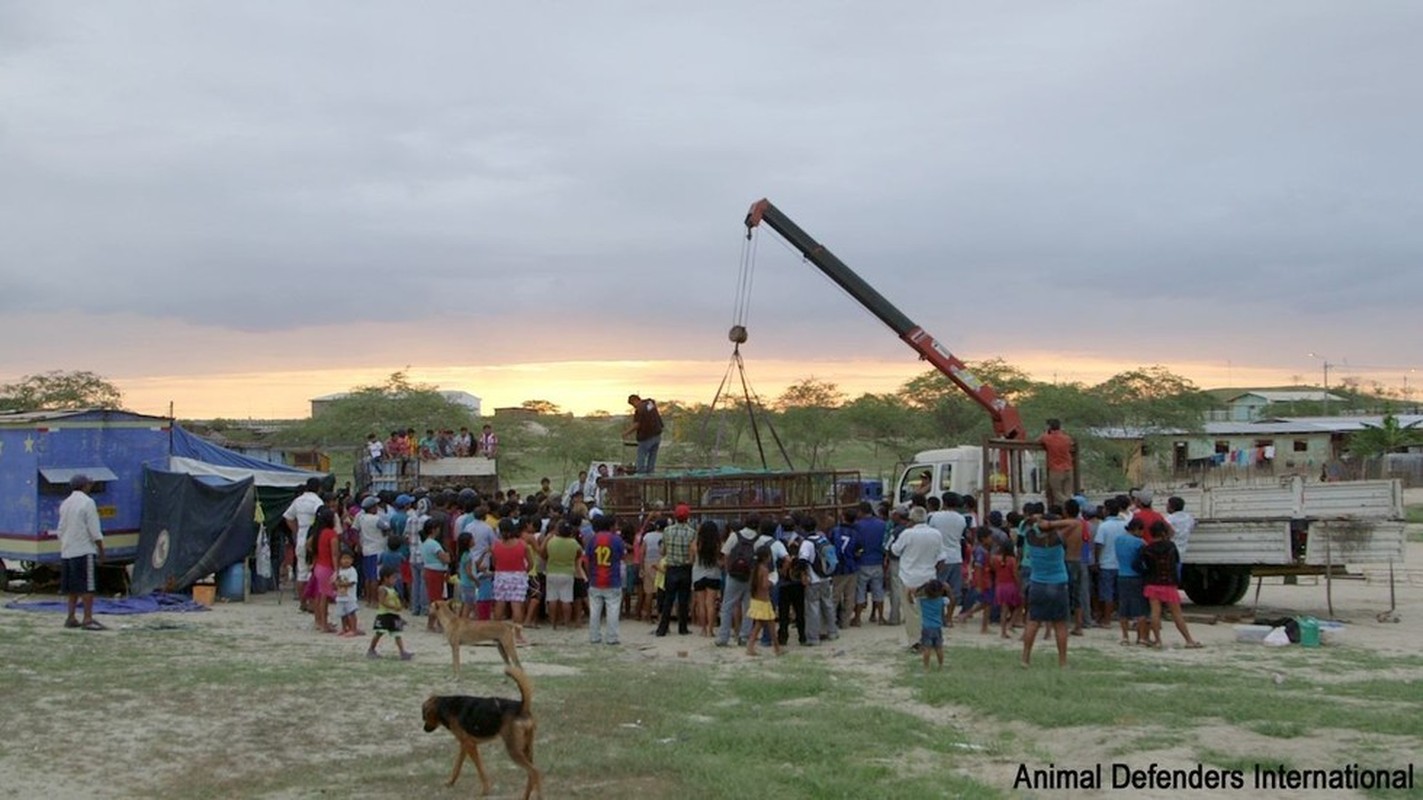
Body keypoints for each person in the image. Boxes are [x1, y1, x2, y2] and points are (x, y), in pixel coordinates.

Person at [1022, 514, 1078, 668]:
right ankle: (1062, 661)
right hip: (1058, 582)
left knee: (1033, 621)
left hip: (1037, 582)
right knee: (1060, 624)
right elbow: (1074, 523)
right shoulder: (1056, 539)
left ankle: (1025, 658)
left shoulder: (1031, 537)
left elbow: (1025, 524)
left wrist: (1039, 522)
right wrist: (1052, 523)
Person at [1140, 520, 1203, 649]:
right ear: (1164, 532)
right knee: (1177, 614)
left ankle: (1157, 640)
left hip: (1152, 583)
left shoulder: (1147, 548)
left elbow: (1143, 565)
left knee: (1155, 613)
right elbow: (1176, 563)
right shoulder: (1171, 546)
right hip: (1168, 583)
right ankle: (1189, 640)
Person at [57, 474, 106, 631]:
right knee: (87, 587)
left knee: (72, 587)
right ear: (85, 486)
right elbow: (94, 530)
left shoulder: (65, 503)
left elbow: (60, 529)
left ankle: (71, 617)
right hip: (84, 550)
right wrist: (101, 550)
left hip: (67, 551)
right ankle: (87, 618)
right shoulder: (87, 502)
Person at [715, 516, 774, 647]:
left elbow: (725, 554)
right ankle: (744, 636)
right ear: (758, 526)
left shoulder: (735, 536)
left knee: (727, 606)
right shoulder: (759, 540)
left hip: (734, 575)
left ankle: (723, 637)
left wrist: (728, 569)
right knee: (748, 607)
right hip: (750, 577)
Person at [891, 506, 943, 651]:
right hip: (928, 577)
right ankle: (932, 639)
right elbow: (941, 557)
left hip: (909, 577)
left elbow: (895, 550)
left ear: (911, 520)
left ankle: (916, 642)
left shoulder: (907, 534)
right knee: (927, 610)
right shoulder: (936, 534)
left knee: (912, 612)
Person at [282, 477, 325, 611]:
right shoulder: (317, 501)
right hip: (312, 538)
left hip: (300, 537)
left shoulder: (298, 500)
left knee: (301, 572)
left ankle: (302, 603)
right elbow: (321, 519)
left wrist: (296, 531)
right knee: (312, 572)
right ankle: (312, 603)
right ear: (319, 488)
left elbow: (288, 517)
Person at [585, 512, 625, 645]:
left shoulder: (592, 539)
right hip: (612, 579)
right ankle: (612, 637)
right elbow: (621, 556)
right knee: (613, 610)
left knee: (595, 611)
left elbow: (587, 559)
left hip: (595, 579)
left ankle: (594, 636)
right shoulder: (616, 539)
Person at [656, 504, 695, 636]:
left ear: (675, 516)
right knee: (683, 600)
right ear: (687, 517)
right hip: (685, 569)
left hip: (671, 568)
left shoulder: (667, 531)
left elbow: (663, 551)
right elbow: (692, 555)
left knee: (668, 599)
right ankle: (682, 628)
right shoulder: (691, 532)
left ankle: (662, 628)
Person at [1115, 517, 1151, 646]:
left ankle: (1125, 637)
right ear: (1136, 529)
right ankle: (1141, 637)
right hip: (1136, 576)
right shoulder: (1140, 543)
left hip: (1122, 575)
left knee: (1123, 607)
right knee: (1140, 608)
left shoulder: (1118, 540)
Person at [367, 566, 413, 661]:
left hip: (393, 615)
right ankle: (371, 649)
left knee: (397, 634)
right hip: (384, 615)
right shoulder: (382, 589)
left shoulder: (393, 589)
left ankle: (402, 652)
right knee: (379, 632)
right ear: (385, 578)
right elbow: (382, 601)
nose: (395, 580)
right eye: (393, 578)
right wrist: (394, 607)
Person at [541, 521, 581, 629]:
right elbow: (579, 553)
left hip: (552, 572)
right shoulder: (573, 543)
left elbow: (543, 554)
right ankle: (567, 623)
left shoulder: (551, 541)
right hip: (567, 573)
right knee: (566, 599)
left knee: (552, 598)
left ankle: (553, 623)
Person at [491, 518, 530, 625]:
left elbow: (494, 563)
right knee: (516, 604)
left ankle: (497, 631)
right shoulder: (522, 544)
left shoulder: (496, 545)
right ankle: (517, 633)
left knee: (500, 603)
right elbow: (530, 563)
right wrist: (525, 570)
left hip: (501, 575)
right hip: (518, 575)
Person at [745, 546, 781, 657]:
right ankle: (752, 647)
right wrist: (772, 581)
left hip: (757, 600)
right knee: (766, 626)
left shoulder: (755, 568)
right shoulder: (764, 570)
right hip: (764, 601)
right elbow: (765, 585)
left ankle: (776, 648)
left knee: (765, 625)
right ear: (766, 557)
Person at [419, 515, 450, 632]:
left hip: (430, 570)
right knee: (437, 600)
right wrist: (448, 557)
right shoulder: (434, 544)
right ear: (433, 529)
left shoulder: (426, 543)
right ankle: (437, 624)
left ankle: (432, 624)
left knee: (434, 598)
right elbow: (444, 559)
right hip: (436, 572)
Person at [691, 520, 723, 637]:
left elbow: (691, 559)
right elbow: (720, 561)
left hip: (698, 574)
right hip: (713, 574)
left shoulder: (696, 543)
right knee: (710, 603)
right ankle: (711, 630)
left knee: (701, 604)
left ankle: (703, 629)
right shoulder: (717, 544)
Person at [1038, 419, 1075, 508]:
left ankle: (1072, 505)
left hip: (1055, 469)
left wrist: (1046, 433)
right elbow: (1071, 443)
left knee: (1057, 493)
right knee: (1067, 492)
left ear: (1049, 427)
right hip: (1068, 468)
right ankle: (1070, 509)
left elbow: (1038, 440)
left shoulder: (1047, 438)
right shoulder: (1067, 438)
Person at [990, 539, 1022, 639]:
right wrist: (1019, 586)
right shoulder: (1012, 560)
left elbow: (993, 569)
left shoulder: (995, 559)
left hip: (1000, 585)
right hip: (1010, 585)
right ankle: (1011, 623)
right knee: (1019, 604)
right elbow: (1015, 575)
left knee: (1003, 610)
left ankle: (1003, 631)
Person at [624, 394, 664, 474]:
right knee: (652, 458)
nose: (634, 406)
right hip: (657, 435)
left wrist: (626, 433)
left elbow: (637, 424)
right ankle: (650, 473)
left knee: (641, 457)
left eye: (633, 404)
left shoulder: (640, 409)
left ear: (635, 400)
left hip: (646, 437)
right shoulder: (650, 404)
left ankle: (640, 475)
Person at [914, 579, 946, 670]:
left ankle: (926, 667)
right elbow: (952, 598)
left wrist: (924, 584)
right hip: (937, 627)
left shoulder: (923, 601)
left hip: (926, 627)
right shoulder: (941, 601)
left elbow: (915, 593)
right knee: (939, 648)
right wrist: (948, 589)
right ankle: (941, 665)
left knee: (926, 648)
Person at [1165, 496, 1195, 581]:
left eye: (1167, 505)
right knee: (1177, 575)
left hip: (1169, 551)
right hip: (1182, 551)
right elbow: (1193, 525)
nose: (1166, 506)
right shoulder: (1189, 518)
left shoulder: (1169, 519)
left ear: (1172, 507)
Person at [333, 550, 362, 637]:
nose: (346, 561)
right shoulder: (339, 571)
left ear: (352, 560)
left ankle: (353, 629)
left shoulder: (352, 571)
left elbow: (352, 582)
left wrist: (341, 584)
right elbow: (334, 580)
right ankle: (344, 628)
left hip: (350, 597)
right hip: (340, 597)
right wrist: (335, 583)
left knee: (351, 613)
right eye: (344, 558)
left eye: (348, 559)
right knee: (343, 614)